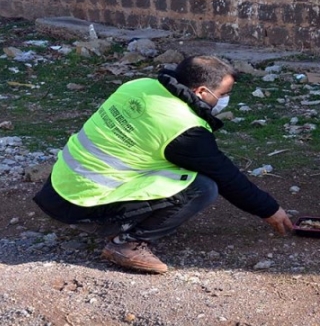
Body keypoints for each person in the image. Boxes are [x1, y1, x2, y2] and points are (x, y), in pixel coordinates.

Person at [33, 55, 293, 274]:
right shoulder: (183, 126)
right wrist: (269, 210)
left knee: (185, 169)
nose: (225, 99)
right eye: (224, 94)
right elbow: (226, 176)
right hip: (83, 202)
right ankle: (126, 243)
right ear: (201, 91)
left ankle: (122, 221)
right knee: (203, 187)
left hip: (61, 187)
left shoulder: (139, 86)